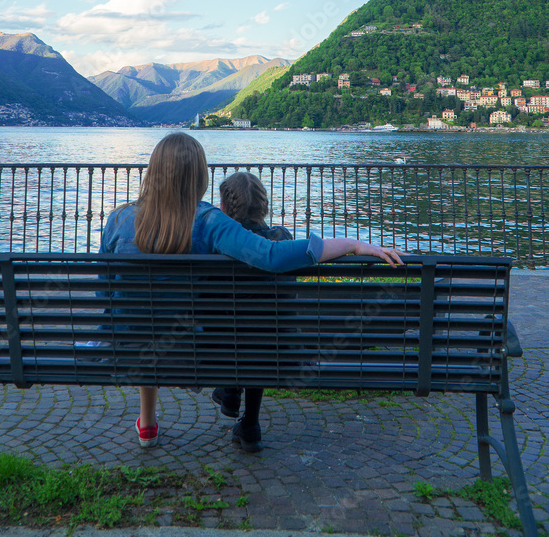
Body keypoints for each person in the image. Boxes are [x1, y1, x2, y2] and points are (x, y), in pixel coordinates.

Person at [99, 132, 403, 449]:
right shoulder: (208, 221)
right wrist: (352, 245)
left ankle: (147, 424)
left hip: (125, 348)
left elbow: (105, 291)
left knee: (144, 318)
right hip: (189, 355)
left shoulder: (117, 218)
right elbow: (272, 256)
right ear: (200, 176)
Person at [210, 170, 293, 452]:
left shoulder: (217, 246)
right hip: (273, 347)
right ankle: (251, 425)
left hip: (222, 346)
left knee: (230, 324)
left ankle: (231, 390)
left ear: (223, 207)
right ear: (264, 206)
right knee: (261, 330)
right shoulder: (282, 239)